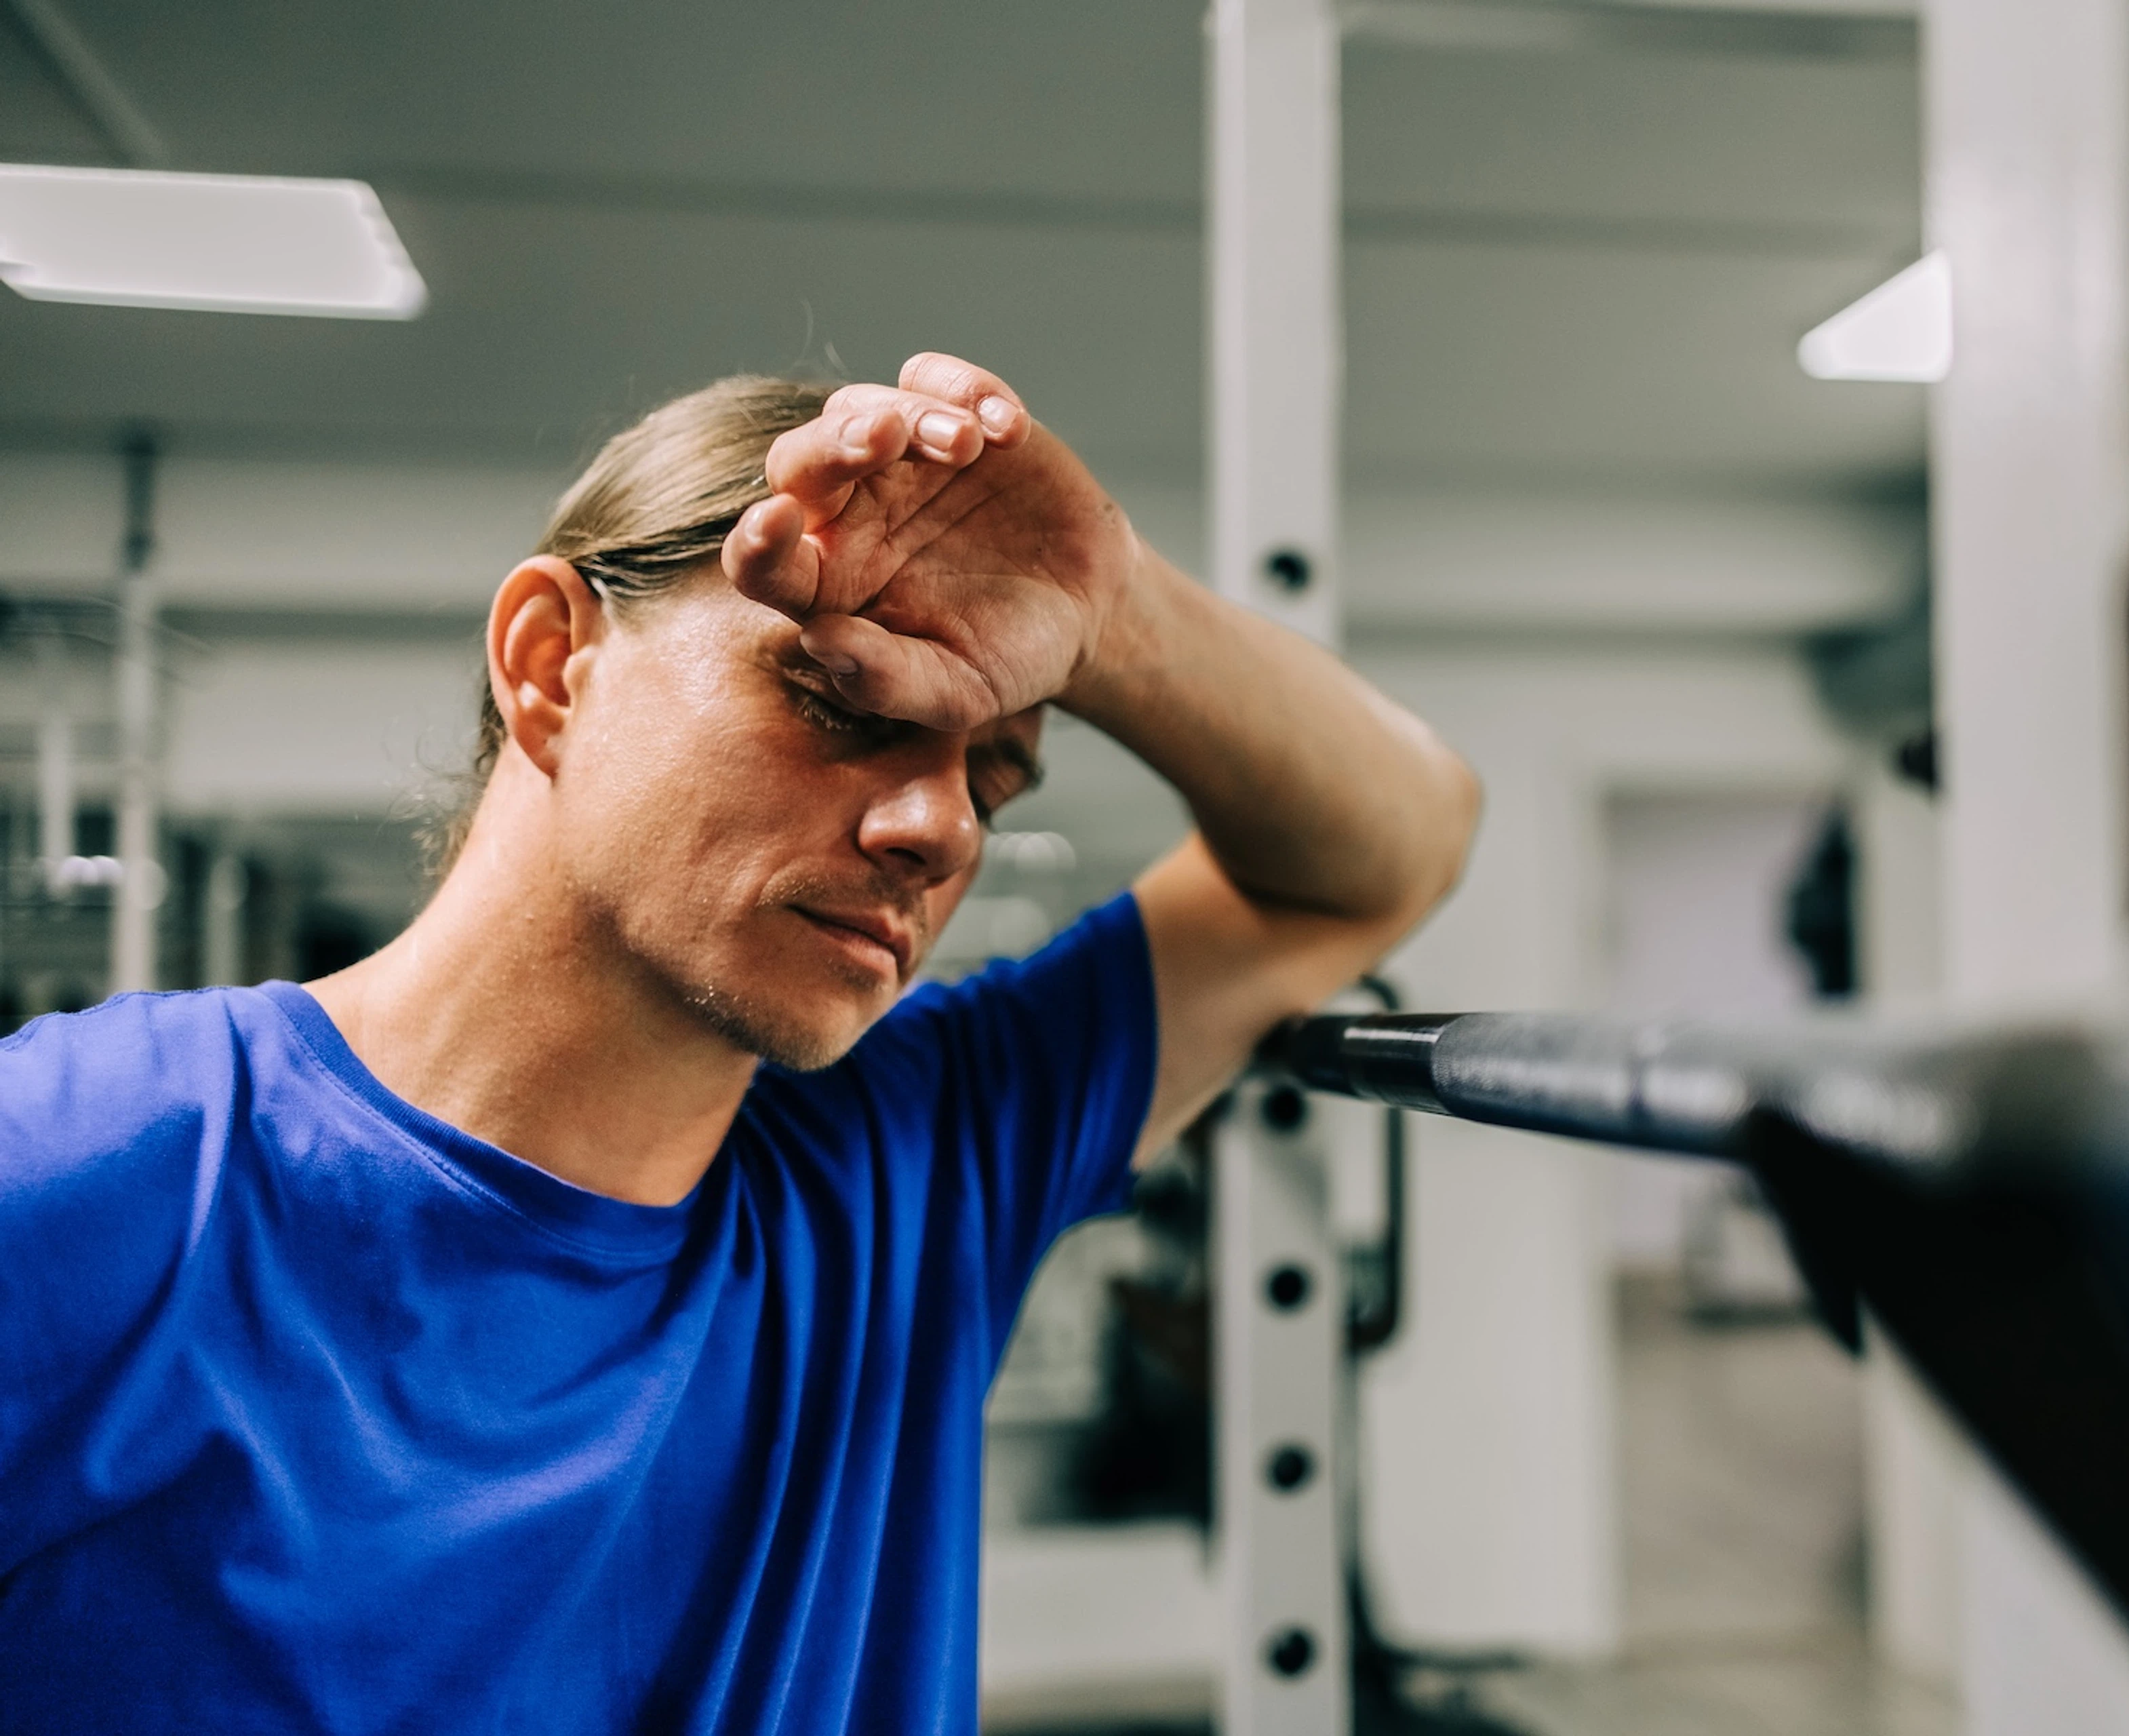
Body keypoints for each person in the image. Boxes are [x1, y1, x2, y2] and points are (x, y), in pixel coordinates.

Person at [0, 353, 1479, 1731]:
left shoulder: (912, 1163)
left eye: (995, 779)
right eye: (841, 700)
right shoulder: (87, 1170)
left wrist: (1118, 609)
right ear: (549, 661)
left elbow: (1392, 846)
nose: (940, 827)